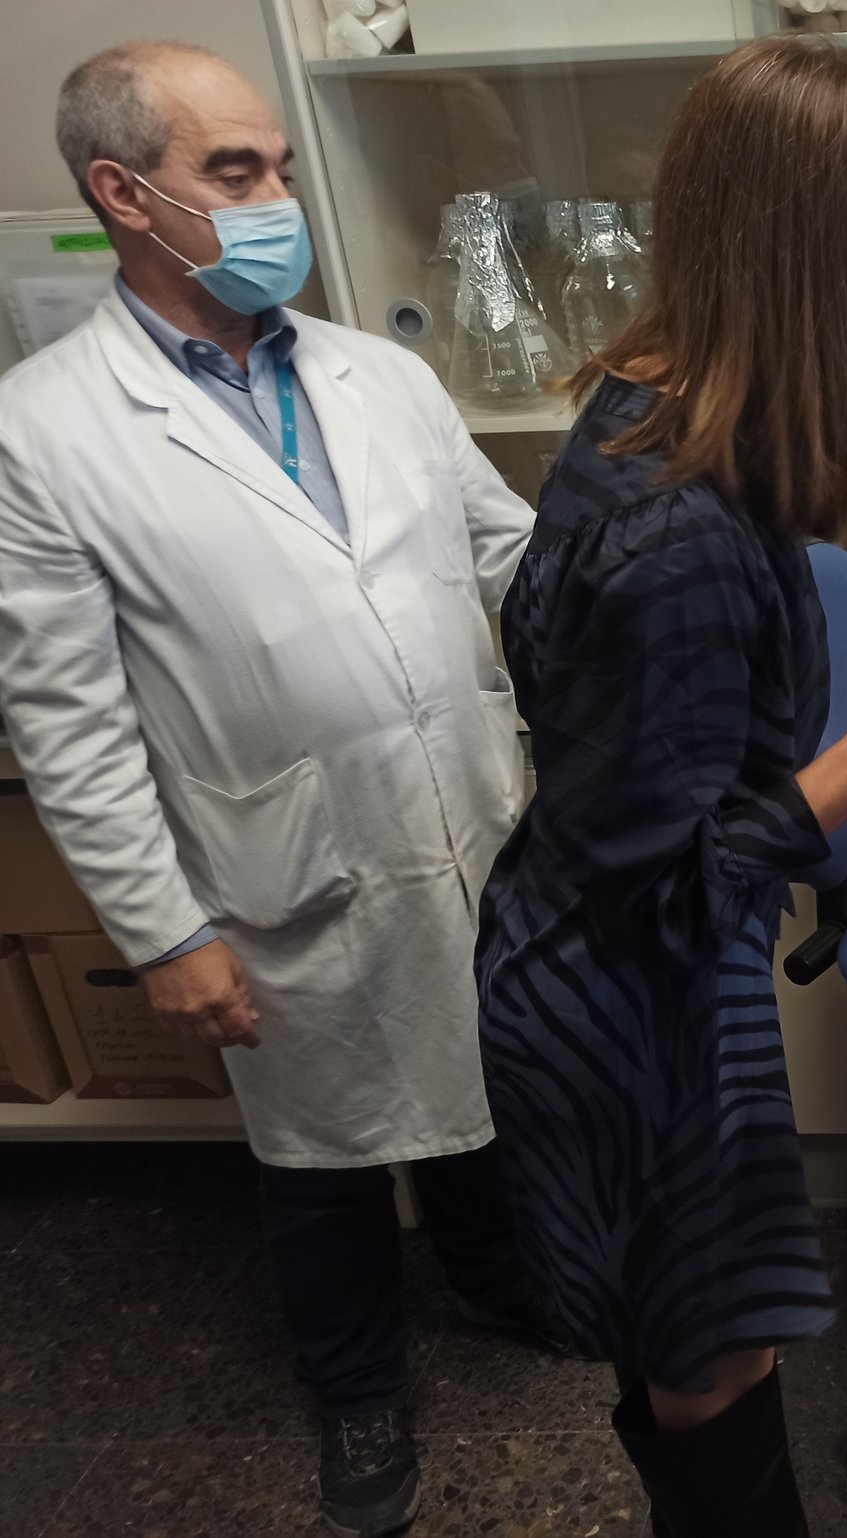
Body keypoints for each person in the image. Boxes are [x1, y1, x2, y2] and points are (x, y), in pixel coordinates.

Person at [0, 42, 554, 1538]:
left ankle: (501, 1281)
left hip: (472, 812)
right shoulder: (45, 433)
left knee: (491, 1088)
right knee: (326, 1155)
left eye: (281, 168)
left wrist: (656, 558)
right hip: (285, 863)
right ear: (124, 195)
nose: (277, 201)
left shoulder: (382, 377)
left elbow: (513, 556)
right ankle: (357, 1384)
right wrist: (164, 933)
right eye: (233, 172)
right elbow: (68, 721)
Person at [473, 35, 847, 1537]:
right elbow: (667, 889)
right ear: (828, 282)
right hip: (627, 1010)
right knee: (709, 1368)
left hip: (615, 964)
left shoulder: (647, 404)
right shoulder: (680, 541)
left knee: (700, 1346)